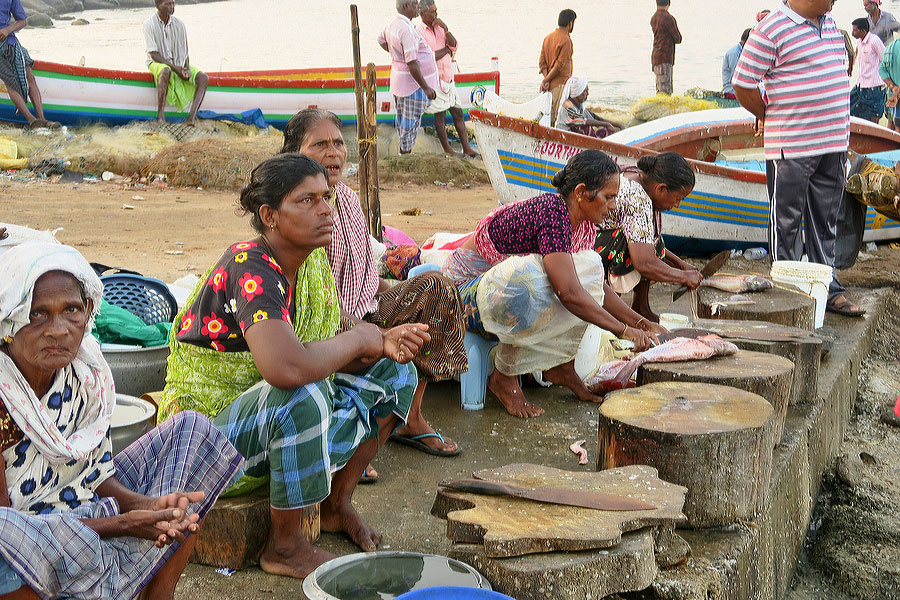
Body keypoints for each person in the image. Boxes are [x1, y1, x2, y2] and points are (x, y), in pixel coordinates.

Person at [159, 154, 429, 578]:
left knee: (396, 374)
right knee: (301, 393)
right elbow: (285, 368)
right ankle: (284, 547)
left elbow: (321, 351)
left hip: (258, 425)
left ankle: (336, 504)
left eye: (326, 198)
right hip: (206, 445)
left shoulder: (308, 268)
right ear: (269, 216)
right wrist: (362, 337)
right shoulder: (250, 264)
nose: (325, 209)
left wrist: (380, 344)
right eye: (307, 200)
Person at [0, 238, 241, 599]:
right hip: (29, 539)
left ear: (89, 311)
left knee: (193, 431)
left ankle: (157, 595)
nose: (59, 329)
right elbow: (8, 525)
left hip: (81, 510)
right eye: (37, 314)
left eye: (72, 310)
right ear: (8, 319)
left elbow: (91, 477)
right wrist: (122, 523)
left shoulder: (86, 372)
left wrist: (148, 507)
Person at [281, 108, 467, 459]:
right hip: (320, 325)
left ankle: (410, 417)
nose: (333, 153)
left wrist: (407, 292)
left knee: (437, 287)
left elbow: (362, 275)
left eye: (338, 142)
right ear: (295, 153)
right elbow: (316, 299)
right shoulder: (295, 209)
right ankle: (349, 438)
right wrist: (372, 334)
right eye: (320, 144)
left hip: (360, 312)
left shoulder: (348, 200)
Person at [441, 150, 665, 418]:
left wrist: (640, 323)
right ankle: (504, 378)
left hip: (490, 291)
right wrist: (624, 330)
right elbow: (569, 293)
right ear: (582, 193)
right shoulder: (552, 213)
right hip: (459, 293)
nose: (614, 205)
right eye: (609, 197)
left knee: (589, 269)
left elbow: (594, 285)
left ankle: (561, 365)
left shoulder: (582, 225)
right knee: (529, 288)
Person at [733, 0, 865, 317]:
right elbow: (742, 83)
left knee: (826, 221)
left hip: (833, 143)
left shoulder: (831, 25)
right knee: (786, 224)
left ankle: (828, 290)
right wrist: (771, 114)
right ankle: (789, 297)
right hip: (790, 146)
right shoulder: (771, 28)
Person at [595, 153, 702, 323]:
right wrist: (683, 276)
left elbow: (650, 241)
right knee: (632, 245)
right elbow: (644, 262)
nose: (677, 205)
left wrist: (680, 264)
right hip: (590, 246)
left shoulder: (640, 175)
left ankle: (641, 307)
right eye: (678, 199)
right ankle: (611, 312)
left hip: (601, 237)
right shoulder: (637, 198)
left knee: (649, 237)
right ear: (661, 188)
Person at [417, 0, 478, 158]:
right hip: (434, 80)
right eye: (432, 12)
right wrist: (446, 50)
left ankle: (467, 148)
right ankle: (448, 149)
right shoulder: (419, 32)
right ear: (422, 13)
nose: (436, 14)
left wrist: (446, 28)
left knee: (458, 113)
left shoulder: (440, 27)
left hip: (448, 78)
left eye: (436, 11)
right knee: (440, 116)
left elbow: (455, 45)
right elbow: (428, 57)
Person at [378, 0, 438, 155]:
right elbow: (412, 63)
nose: (418, 6)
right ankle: (405, 155)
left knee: (404, 120)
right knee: (409, 123)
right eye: (415, 4)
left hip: (401, 80)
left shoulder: (394, 23)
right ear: (406, 6)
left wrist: (397, 55)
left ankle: (404, 153)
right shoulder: (406, 30)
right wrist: (426, 87)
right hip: (412, 85)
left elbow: (381, 40)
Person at [143, 0, 209, 125]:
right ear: (158, 6)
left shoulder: (180, 25)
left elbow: (185, 53)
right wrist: (175, 68)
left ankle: (191, 119)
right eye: (167, 4)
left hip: (178, 63)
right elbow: (153, 54)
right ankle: (160, 116)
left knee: (203, 78)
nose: (171, 7)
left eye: (173, 3)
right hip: (155, 63)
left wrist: (186, 69)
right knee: (165, 70)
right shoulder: (148, 24)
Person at [0, 0, 53, 128]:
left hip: (11, 41)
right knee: (10, 81)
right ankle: (31, 120)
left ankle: (42, 120)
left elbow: (23, 21)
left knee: (29, 75)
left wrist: (8, 29)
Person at [554, 76, 623, 138]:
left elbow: (598, 119)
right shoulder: (567, 104)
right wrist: (606, 124)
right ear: (578, 92)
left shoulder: (580, 108)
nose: (588, 94)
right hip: (564, 138)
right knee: (587, 128)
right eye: (585, 91)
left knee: (606, 130)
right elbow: (581, 121)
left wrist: (619, 125)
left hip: (574, 138)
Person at [539, 9, 576, 122]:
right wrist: (547, 80)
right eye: (573, 22)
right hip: (560, 86)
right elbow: (558, 66)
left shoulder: (548, 38)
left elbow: (542, 63)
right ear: (570, 23)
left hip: (549, 86)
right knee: (556, 119)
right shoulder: (566, 40)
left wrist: (546, 79)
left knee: (548, 117)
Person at [851, 17, 887, 123]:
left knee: (873, 118)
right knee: (849, 108)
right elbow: (857, 55)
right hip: (860, 85)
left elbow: (885, 60)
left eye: (855, 30)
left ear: (863, 31)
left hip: (874, 87)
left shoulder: (874, 41)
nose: (852, 33)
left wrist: (888, 81)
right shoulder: (859, 42)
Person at [650, 0, 682, 95]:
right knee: (666, 90)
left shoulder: (653, 18)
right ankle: (663, 109)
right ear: (668, 4)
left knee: (659, 89)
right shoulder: (668, 18)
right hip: (665, 58)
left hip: (656, 57)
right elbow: (678, 39)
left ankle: (658, 108)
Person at [722, 29, 751, 99]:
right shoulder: (734, 53)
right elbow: (736, 78)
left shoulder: (744, 52)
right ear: (746, 42)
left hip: (739, 90)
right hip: (731, 92)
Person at [880, 33, 900, 129]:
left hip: (892, 94)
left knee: (891, 127)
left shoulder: (890, 47)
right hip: (896, 96)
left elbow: (882, 70)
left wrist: (893, 87)